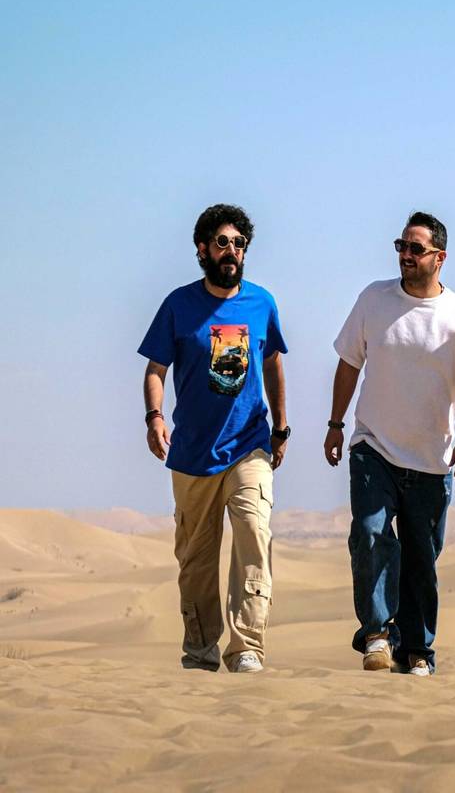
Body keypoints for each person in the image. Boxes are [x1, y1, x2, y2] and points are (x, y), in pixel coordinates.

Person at [325, 211, 455, 675]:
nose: (405, 254)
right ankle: (377, 634)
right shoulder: (373, 299)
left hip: (432, 460)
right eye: (401, 245)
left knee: (422, 558)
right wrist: (336, 423)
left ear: (440, 258)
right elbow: (348, 364)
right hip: (373, 447)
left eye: (415, 248)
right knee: (369, 533)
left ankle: (418, 649)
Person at [138, 203, 289, 674]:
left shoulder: (262, 303)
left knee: (254, 532)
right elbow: (156, 368)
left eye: (239, 244)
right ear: (202, 249)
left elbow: (273, 363)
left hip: (250, 445)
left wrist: (281, 427)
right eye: (222, 242)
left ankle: (247, 647)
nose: (232, 251)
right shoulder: (178, 305)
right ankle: (200, 650)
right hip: (193, 453)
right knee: (196, 559)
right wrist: (154, 417)